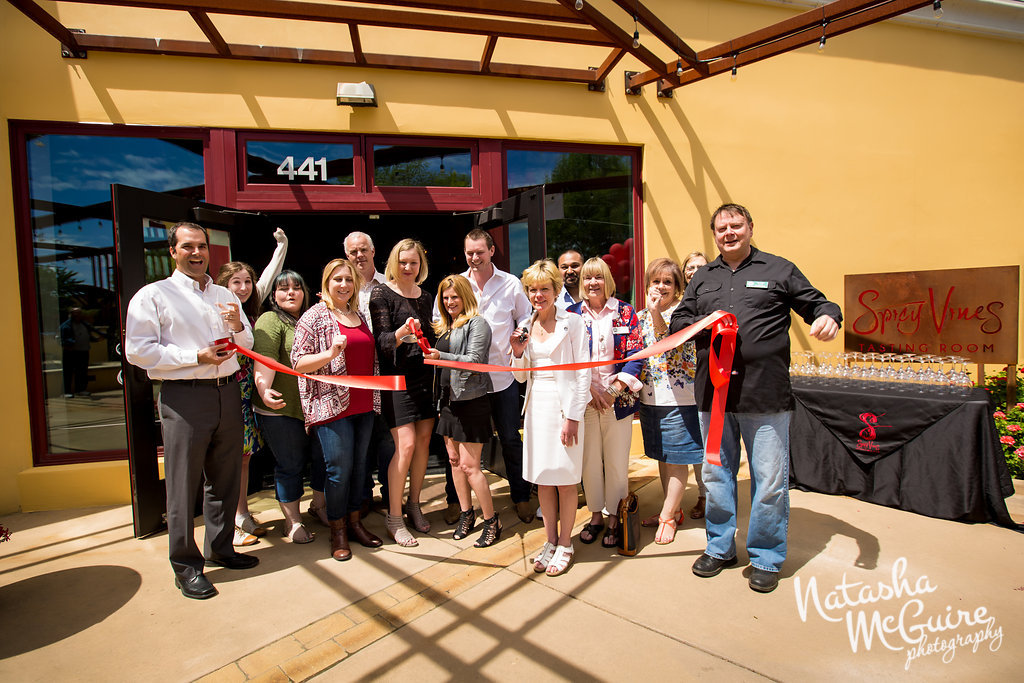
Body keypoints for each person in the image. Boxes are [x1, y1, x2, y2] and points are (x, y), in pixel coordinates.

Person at [670, 203, 841, 593]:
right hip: (713, 396)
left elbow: (817, 304)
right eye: (721, 228)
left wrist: (828, 316)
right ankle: (719, 547)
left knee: (768, 481)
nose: (728, 232)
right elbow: (681, 319)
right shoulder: (704, 278)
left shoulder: (779, 269)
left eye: (735, 225)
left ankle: (766, 556)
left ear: (750, 227)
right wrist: (701, 325)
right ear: (714, 234)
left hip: (765, 396)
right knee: (716, 476)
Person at [125, 221, 258, 600]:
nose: (197, 253)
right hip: (185, 396)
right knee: (182, 486)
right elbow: (138, 351)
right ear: (172, 251)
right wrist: (193, 357)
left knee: (225, 478)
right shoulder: (154, 296)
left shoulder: (223, 293)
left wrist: (237, 327)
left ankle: (221, 548)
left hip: (228, 392)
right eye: (188, 247)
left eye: (202, 246)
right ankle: (185, 566)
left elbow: (245, 342)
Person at [292, 259, 383, 561]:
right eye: (337, 279)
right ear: (326, 283)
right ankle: (338, 530)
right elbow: (298, 364)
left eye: (348, 280)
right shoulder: (314, 316)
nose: (343, 285)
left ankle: (355, 523)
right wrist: (329, 354)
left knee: (360, 468)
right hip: (332, 406)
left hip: (364, 403)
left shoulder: (358, 314)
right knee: (338, 470)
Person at [512, 260, 589, 575]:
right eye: (532, 289)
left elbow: (583, 373)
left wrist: (573, 416)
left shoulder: (574, 323)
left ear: (557, 290)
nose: (538, 295)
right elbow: (519, 378)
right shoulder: (525, 325)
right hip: (536, 409)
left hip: (563, 408)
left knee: (566, 480)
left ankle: (566, 543)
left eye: (544, 288)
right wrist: (517, 351)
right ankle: (550, 540)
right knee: (543, 479)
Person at [215, 227, 289, 546]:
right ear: (224, 285)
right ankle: (228, 522)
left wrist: (282, 246)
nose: (244, 287)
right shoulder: (217, 310)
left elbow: (270, 275)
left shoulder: (250, 306)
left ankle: (241, 513)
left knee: (244, 456)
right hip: (224, 390)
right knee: (228, 457)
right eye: (237, 282)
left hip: (247, 393)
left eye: (247, 281)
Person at [567, 258, 643, 549]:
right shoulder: (571, 314)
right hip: (584, 401)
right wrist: (590, 391)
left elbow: (637, 353)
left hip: (618, 400)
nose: (592, 283)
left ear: (608, 280)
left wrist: (613, 389)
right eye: (587, 278)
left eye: (598, 277)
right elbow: (569, 360)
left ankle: (615, 516)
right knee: (588, 462)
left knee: (616, 462)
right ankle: (596, 514)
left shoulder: (625, 311)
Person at [460, 229, 535, 523]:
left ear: (492, 251)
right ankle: (461, 503)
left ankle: (521, 497)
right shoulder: (459, 283)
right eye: (470, 253)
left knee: (510, 439)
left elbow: (525, 317)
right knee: (464, 444)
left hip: (503, 376)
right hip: (468, 380)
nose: (475, 258)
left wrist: (521, 337)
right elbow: (442, 318)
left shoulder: (511, 283)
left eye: (480, 252)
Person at [424, 274, 502, 547]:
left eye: (454, 297)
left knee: (471, 467)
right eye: (445, 298)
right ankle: (466, 515)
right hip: (447, 403)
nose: (449, 302)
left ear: (466, 296)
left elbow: (475, 361)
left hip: (471, 402)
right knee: (455, 463)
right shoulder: (445, 326)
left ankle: (492, 521)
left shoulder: (477, 323)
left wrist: (440, 356)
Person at [369, 239, 437, 547]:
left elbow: (434, 335)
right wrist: (400, 333)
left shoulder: (427, 296)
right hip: (397, 380)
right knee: (406, 446)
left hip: (425, 378)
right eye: (403, 262)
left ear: (421, 265)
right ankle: (394, 517)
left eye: (414, 262)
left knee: (423, 443)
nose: (408, 267)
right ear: (393, 263)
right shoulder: (381, 293)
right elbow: (381, 341)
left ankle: (414, 504)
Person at [252, 270, 326, 544]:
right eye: (283, 289)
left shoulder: (312, 317)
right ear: (273, 296)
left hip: (315, 406)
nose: (291, 293)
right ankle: (292, 522)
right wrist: (264, 389)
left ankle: (319, 506)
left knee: (323, 459)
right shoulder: (270, 319)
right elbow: (266, 359)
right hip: (280, 408)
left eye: (297, 287)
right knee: (290, 465)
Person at [636, 257, 704, 545]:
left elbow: (671, 342)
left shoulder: (684, 312)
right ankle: (673, 509)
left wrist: (655, 313)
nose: (661, 286)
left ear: (678, 287)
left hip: (680, 398)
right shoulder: (639, 317)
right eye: (656, 281)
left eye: (668, 282)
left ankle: (666, 517)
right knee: (663, 458)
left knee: (677, 460)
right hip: (650, 399)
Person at [344, 231, 395, 515]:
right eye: (353, 252)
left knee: (388, 439)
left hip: (386, 372)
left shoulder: (390, 285)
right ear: (346, 256)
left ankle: (391, 495)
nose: (359, 255)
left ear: (374, 251)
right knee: (359, 440)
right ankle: (362, 496)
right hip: (355, 376)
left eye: (363, 249)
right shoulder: (340, 288)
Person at [59, 306, 102, 397]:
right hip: (71, 352)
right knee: (68, 372)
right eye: (76, 313)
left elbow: (87, 335)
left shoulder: (84, 324)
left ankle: (81, 390)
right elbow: (62, 339)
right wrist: (71, 343)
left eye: (79, 313)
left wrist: (96, 339)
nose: (78, 315)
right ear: (71, 315)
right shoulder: (66, 326)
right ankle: (67, 392)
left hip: (83, 351)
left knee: (82, 371)